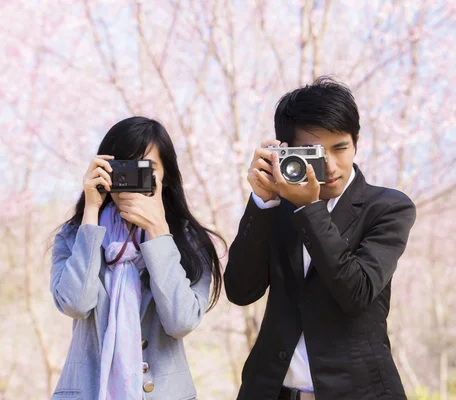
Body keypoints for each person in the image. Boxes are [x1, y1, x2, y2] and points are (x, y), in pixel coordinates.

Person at [224, 76, 416, 400]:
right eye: (314, 152)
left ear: (356, 141)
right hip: (271, 390)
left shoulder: (388, 208)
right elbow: (240, 291)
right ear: (288, 150)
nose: (328, 166)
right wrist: (263, 202)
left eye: (340, 148)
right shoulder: (276, 205)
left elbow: (356, 292)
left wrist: (310, 208)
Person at [50, 116, 223, 400]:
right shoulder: (75, 236)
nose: (132, 179)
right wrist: (91, 213)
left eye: (145, 169)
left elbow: (181, 322)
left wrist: (158, 233)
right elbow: (76, 304)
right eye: (124, 167)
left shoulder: (191, 241)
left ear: (165, 175)